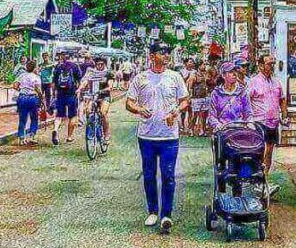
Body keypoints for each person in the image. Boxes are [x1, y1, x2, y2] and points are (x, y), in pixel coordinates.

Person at [125, 43, 188, 234]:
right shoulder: (141, 78)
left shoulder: (175, 77)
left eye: (168, 52)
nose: (166, 55)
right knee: (149, 174)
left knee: (168, 175)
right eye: (162, 52)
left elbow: (185, 100)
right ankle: (152, 210)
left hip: (169, 136)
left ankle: (166, 214)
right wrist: (139, 109)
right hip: (147, 136)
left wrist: (176, 111)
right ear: (152, 56)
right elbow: (129, 102)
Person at [247, 53, 287, 197]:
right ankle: (258, 181)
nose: (272, 66)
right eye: (269, 63)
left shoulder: (276, 82)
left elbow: (282, 99)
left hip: (273, 122)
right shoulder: (253, 82)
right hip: (258, 121)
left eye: (273, 63)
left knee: (269, 151)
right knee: (260, 151)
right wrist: (248, 120)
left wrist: (284, 115)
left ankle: (264, 181)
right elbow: (246, 101)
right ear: (261, 65)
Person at [78, 55, 114, 144]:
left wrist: (102, 90)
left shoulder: (108, 73)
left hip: (104, 96)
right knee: (88, 111)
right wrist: (80, 88)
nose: (99, 66)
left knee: (103, 113)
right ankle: (93, 130)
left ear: (104, 64)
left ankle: (106, 134)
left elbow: (110, 87)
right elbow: (86, 81)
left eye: (101, 64)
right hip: (93, 95)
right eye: (98, 64)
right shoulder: (92, 73)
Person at [207, 62, 251, 131]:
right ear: (223, 75)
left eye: (235, 71)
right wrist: (218, 125)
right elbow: (212, 115)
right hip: (223, 130)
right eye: (231, 72)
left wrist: (249, 123)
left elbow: (248, 113)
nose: (235, 74)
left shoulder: (242, 92)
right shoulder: (216, 93)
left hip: (239, 130)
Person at [51, 52, 82, 145]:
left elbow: (53, 83)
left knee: (59, 115)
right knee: (73, 116)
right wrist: (79, 91)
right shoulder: (75, 66)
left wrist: (54, 94)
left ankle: (55, 129)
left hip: (60, 94)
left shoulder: (58, 67)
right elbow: (79, 80)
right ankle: (69, 136)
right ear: (71, 57)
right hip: (71, 94)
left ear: (62, 58)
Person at [13, 59, 44, 145]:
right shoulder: (36, 77)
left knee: (22, 119)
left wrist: (22, 90)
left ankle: (21, 138)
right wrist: (42, 100)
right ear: (34, 68)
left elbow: (15, 86)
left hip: (22, 97)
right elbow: (38, 90)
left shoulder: (22, 76)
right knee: (34, 118)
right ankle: (31, 136)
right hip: (32, 98)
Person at [187, 61, 211, 136]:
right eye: (203, 64)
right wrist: (189, 98)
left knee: (203, 115)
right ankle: (191, 129)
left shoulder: (204, 74)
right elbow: (190, 87)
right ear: (199, 66)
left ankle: (202, 131)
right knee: (194, 115)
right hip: (196, 98)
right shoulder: (194, 75)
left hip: (204, 97)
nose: (204, 66)